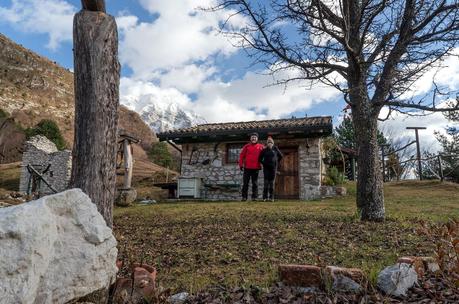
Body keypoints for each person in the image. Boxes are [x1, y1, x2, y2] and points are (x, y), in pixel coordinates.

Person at [239, 132, 264, 201]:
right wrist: (241, 165)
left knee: (255, 183)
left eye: (255, 137)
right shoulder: (246, 146)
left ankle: (254, 197)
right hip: (247, 167)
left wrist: (264, 163)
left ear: (257, 139)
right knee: (245, 183)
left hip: (256, 168)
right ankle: (244, 197)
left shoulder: (261, 146)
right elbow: (242, 156)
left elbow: (264, 156)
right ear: (250, 138)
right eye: (252, 137)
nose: (253, 138)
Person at [259, 136, 283, 201]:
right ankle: (265, 197)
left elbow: (281, 156)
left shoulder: (275, 149)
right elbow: (260, 159)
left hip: (273, 169)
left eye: (271, 142)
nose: (270, 144)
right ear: (267, 143)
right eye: (268, 142)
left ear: (273, 143)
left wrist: (276, 161)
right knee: (266, 183)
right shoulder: (264, 150)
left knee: (272, 184)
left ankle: (271, 197)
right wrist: (264, 163)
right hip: (266, 168)